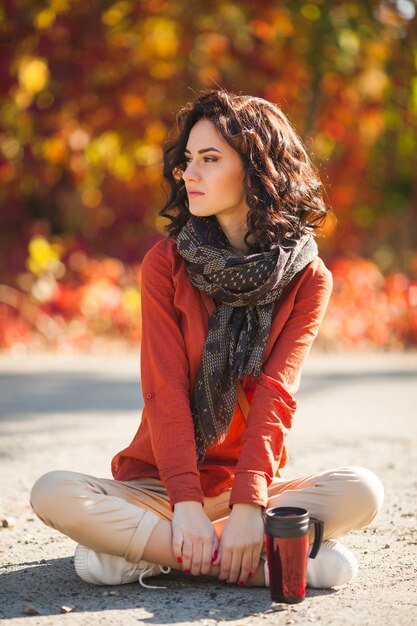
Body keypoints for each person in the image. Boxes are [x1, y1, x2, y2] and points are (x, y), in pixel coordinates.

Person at [30, 89, 384, 591]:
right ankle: (270, 561)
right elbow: (165, 390)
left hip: (249, 485)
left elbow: (275, 395)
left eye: (210, 159)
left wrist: (248, 505)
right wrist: (187, 505)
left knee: (362, 490)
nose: (189, 173)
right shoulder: (166, 264)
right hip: (159, 486)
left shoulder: (308, 277)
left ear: (258, 169)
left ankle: (149, 554)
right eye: (188, 160)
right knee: (52, 492)